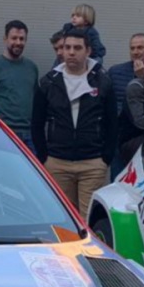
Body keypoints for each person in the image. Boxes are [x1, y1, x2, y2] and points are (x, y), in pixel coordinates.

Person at [33, 30, 116, 216]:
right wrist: (44, 157)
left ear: (88, 51)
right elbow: (36, 123)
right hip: (57, 162)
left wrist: (105, 159)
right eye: (66, 47)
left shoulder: (103, 82)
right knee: (62, 218)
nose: (71, 52)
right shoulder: (48, 82)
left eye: (77, 48)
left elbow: (112, 124)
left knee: (88, 221)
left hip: (92, 163)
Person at [107, 33, 144, 107]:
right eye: (132, 48)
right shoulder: (115, 72)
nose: (135, 52)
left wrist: (142, 77)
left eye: (140, 48)